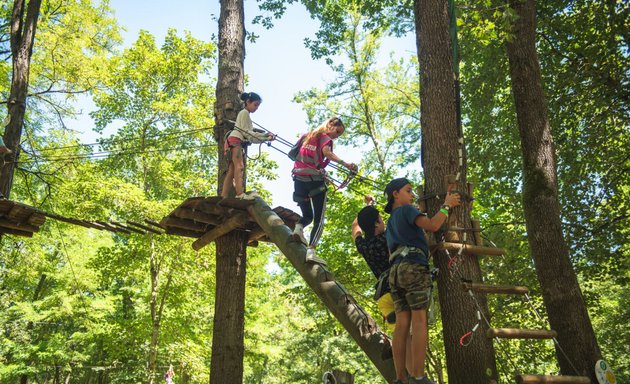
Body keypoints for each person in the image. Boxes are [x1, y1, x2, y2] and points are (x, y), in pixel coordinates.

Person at [384, 177, 461, 384]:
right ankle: (418, 376)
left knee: (401, 326)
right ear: (396, 194)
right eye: (408, 191)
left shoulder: (390, 222)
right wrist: (446, 205)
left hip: (395, 271)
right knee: (419, 320)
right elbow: (434, 225)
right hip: (413, 268)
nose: (412, 195)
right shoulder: (407, 210)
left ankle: (400, 378)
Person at [352, 195, 414, 372]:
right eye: (380, 218)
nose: (383, 220)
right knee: (408, 336)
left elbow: (355, 227)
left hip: (383, 297)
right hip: (397, 290)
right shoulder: (389, 237)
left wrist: (368, 207)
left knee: (399, 334)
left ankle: (402, 376)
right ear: (376, 224)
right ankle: (412, 377)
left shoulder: (363, 246)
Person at [291, 117, 358, 263]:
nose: (336, 136)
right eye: (337, 132)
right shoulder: (325, 138)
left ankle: (298, 228)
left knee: (307, 215)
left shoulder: (306, 136)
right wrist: (346, 164)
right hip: (314, 182)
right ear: (330, 125)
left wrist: (321, 171)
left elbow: (293, 154)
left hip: (298, 179)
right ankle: (311, 252)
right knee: (319, 220)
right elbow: (327, 153)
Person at [221, 92, 274, 199]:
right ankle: (240, 194)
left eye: (258, 105)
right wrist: (265, 137)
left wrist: (264, 137)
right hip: (235, 140)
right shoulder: (244, 113)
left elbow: (248, 133)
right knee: (239, 166)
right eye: (255, 104)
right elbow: (248, 133)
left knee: (232, 170)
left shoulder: (245, 114)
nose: (257, 108)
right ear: (248, 102)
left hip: (232, 140)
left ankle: (223, 196)